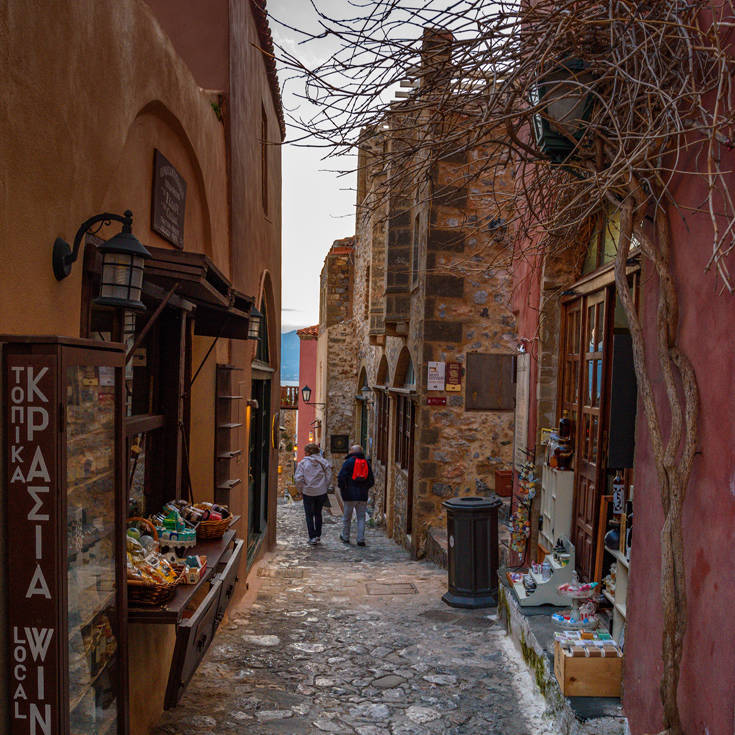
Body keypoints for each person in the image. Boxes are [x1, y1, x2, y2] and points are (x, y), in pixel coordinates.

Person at [294, 443, 332, 545]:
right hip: (321, 492)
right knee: (318, 513)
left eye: (305, 451)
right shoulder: (324, 462)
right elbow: (329, 476)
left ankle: (312, 537)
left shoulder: (303, 463)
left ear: (308, 452)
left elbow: (298, 478)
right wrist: (324, 486)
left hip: (308, 492)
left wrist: (301, 489)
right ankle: (318, 535)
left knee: (309, 515)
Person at [337, 444, 374, 547]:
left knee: (347, 517)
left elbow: (341, 477)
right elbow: (371, 480)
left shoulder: (348, 462)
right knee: (361, 517)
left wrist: (343, 488)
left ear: (352, 451)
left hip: (349, 495)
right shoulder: (366, 463)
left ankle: (345, 536)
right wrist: (365, 488)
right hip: (362, 495)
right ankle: (360, 539)